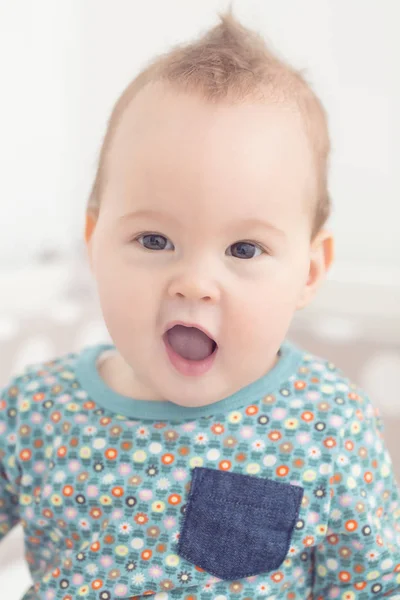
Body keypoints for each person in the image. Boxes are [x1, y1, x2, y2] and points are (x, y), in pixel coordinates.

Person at [1, 8, 399, 600]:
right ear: (95, 245)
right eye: (154, 240)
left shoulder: (328, 426)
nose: (195, 284)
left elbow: (373, 584)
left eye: (244, 248)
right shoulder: (34, 410)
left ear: (309, 272)